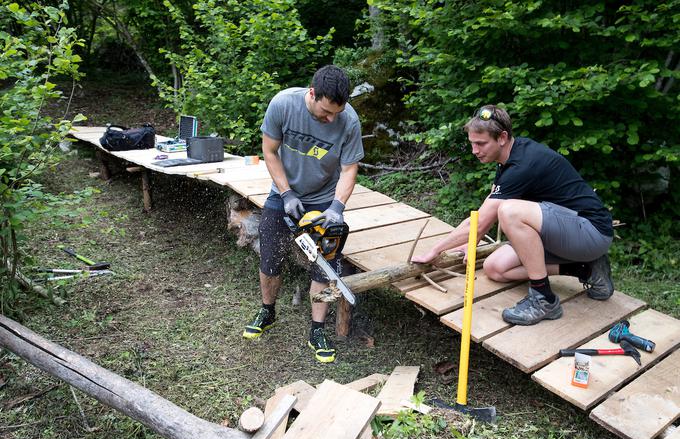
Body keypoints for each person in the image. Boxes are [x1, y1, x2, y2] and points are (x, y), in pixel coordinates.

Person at [412, 105, 614, 326]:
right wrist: (472, 241)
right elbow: (484, 212)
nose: (475, 150)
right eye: (472, 143)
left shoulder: (523, 164)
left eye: (480, 143)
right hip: (566, 231)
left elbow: (479, 222)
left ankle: (543, 299)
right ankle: (587, 269)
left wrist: (435, 250)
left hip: (592, 231)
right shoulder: (511, 156)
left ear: (502, 137)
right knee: (495, 268)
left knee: (509, 211)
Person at [242, 65, 364, 363]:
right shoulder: (283, 104)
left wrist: (337, 208)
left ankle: (317, 329)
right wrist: (285, 193)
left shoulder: (348, 121)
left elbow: (349, 169)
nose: (331, 118)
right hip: (283, 193)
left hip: (324, 199)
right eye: (325, 112)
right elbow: (269, 151)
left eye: (337, 112)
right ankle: (268, 311)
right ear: (312, 93)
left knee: (325, 267)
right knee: (271, 257)